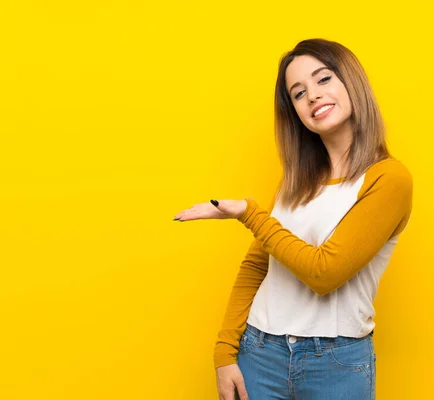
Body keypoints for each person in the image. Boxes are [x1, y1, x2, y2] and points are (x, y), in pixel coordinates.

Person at [173, 38, 413, 400]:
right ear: (295, 112)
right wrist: (224, 354)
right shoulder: (297, 181)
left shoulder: (388, 179)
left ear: (351, 81)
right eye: (298, 93)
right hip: (259, 354)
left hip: (336, 364)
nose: (313, 96)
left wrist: (249, 213)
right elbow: (257, 265)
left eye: (324, 79)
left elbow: (325, 272)